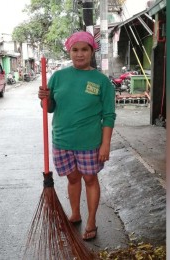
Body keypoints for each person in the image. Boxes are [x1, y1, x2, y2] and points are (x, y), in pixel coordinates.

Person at [38, 31, 116, 241]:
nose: (79, 54)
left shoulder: (101, 81)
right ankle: (75, 213)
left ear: (92, 51)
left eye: (84, 49)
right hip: (62, 139)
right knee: (73, 178)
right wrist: (44, 98)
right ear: (69, 51)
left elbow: (109, 115)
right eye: (75, 50)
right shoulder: (58, 76)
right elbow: (50, 108)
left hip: (89, 141)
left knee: (90, 178)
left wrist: (105, 144)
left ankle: (91, 220)